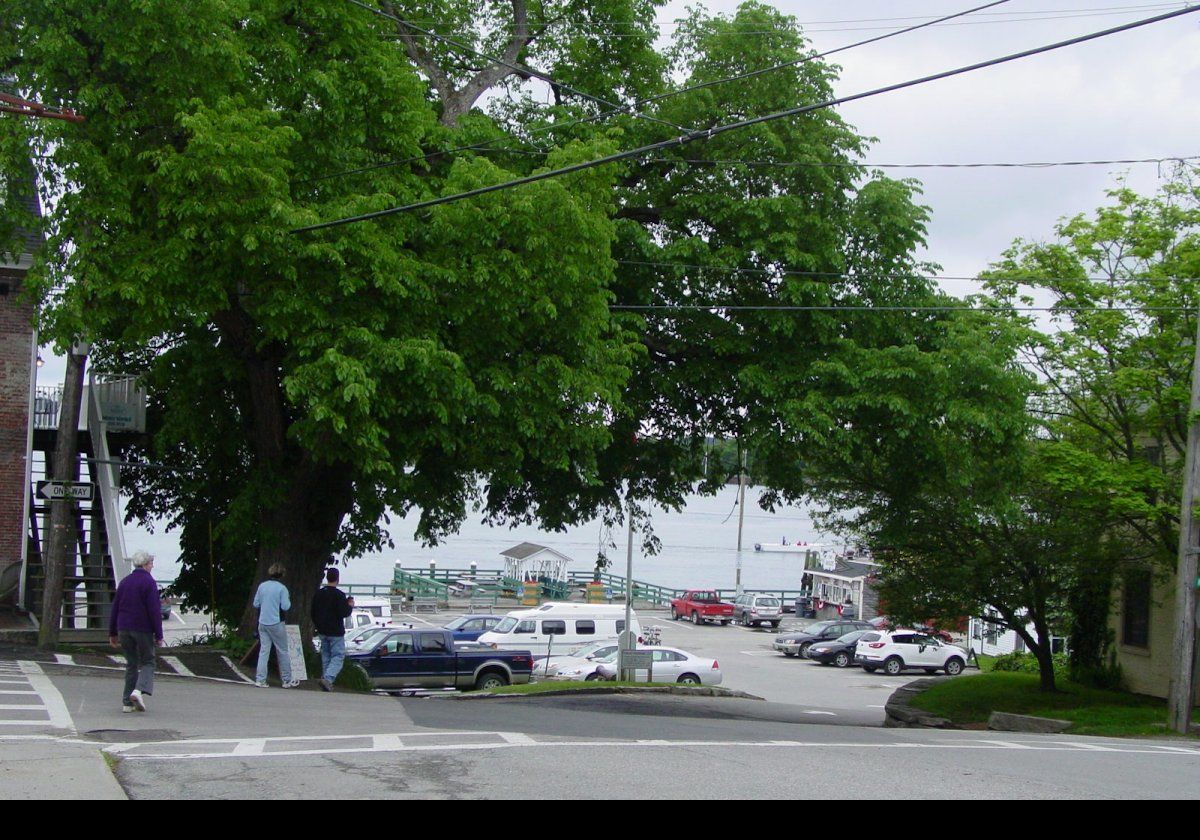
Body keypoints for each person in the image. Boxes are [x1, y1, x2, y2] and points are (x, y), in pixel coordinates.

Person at [108, 550, 164, 713]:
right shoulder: (149, 582)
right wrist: (159, 635)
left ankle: (127, 703)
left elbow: (115, 608)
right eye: (151, 563)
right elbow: (154, 610)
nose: (152, 566)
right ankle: (138, 690)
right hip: (142, 628)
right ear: (146, 565)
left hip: (123, 627)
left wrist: (112, 633)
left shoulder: (125, 582)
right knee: (148, 661)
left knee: (131, 663)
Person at [253, 563, 298, 688]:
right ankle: (286, 680)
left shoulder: (262, 586)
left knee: (264, 651)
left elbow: (256, 603)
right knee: (282, 650)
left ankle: (260, 679)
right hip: (276, 622)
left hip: (262, 622)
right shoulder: (282, 588)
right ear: (282, 574)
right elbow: (285, 606)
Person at [311, 567, 355, 692]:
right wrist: (350, 606)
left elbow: (313, 611)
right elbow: (344, 612)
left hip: (322, 630)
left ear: (327, 577)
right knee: (338, 656)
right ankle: (328, 679)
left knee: (326, 655)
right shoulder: (339, 595)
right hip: (335, 631)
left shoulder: (319, 593)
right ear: (337, 579)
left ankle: (325, 679)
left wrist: (317, 625)